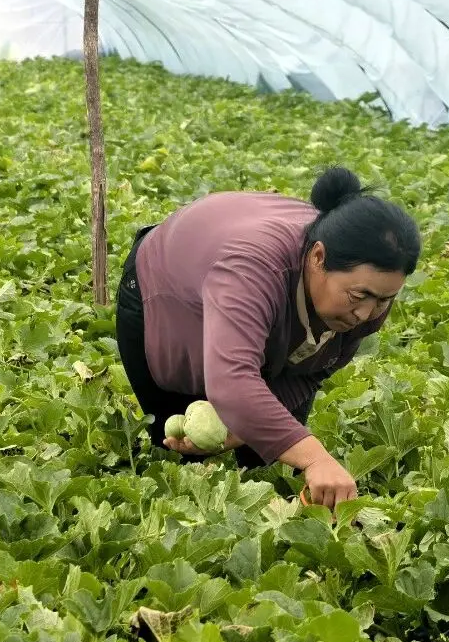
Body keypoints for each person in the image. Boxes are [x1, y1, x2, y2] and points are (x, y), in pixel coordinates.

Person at [113, 166, 422, 509]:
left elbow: (314, 370)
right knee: (181, 455)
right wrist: (316, 459)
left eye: (384, 299)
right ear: (318, 258)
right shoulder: (252, 269)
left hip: (234, 267)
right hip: (164, 286)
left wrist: (245, 427)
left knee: (268, 463)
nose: (367, 314)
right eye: (359, 296)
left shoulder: (366, 296)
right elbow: (232, 381)